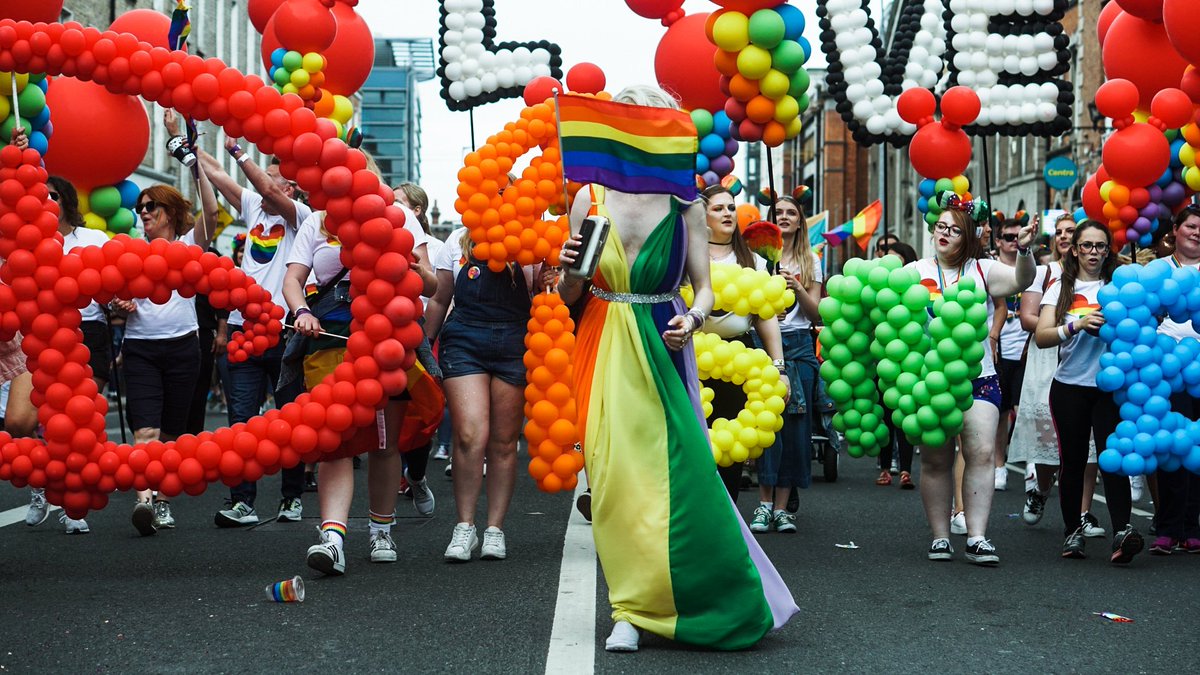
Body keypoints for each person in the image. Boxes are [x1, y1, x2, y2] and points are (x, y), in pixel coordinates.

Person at [558, 85, 797, 652]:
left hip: (663, 344)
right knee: (613, 480)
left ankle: (701, 594)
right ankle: (628, 609)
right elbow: (572, 293)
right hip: (602, 340)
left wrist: (691, 320)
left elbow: (706, 292)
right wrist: (567, 267)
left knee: (677, 475)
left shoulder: (684, 203)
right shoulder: (588, 197)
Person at [907, 196, 1035, 565]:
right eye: (941, 227)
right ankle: (940, 537)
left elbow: (1020, 280)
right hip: (930, 379)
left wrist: (1023, 249)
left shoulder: (982, 269)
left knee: (980, 454)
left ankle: (977, 536)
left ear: (969, 236)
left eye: (954, 229)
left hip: (980, 377)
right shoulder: (915, 271)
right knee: (936, 458)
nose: (944, 234)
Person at [199, 138, 314, 527]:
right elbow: (216, 175)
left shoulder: (301, 215)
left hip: (285, 331)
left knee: (290, 419)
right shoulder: (253, 207)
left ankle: (292, 498)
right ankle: (242, 502)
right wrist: (188, 146)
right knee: (242, 420)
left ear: (291, 189)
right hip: (242, 328)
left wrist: (237, 151)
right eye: (266, 176)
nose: (264, 184)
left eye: (274, 178)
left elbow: (260, 186)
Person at [113, 113, 217, 535]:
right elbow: (113, 296)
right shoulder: (131, 251)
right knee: (146, 427)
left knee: (173, 431)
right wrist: (119, 301)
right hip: (140, 347)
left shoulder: (190, 244)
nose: (143, 214)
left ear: (170, 212)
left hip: (182, 347)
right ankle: (143, 501)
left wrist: (191, 159)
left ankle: (161, 500)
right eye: (140, 209)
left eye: (150, 207)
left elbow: (211, 208)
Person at [424, 214, 540, 562]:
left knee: (504, 442)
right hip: (465, 339)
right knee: (469, 435)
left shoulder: (531, 240)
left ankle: (494, 530)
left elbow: (544, 293)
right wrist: (424, 346)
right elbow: (441, 299)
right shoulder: (457, 239)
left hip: (516, 340)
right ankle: (464, 527)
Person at [1034, 220, 1143, 563]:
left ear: (1108, 250)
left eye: (1100, 246)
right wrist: (1077, 325)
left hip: (1111, 388)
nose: (1093, 253)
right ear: (1074, 249)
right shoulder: (1061, 287)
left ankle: (1122, 531)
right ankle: (1072, 532)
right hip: (1070, 386)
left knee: (1115, 460)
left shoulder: (1120, 284)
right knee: (1074, 461)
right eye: (1086, 246)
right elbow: (1042, 336)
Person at [23, 175, 109, 534]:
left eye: (52, 195)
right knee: (43, 416)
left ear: (68, 201)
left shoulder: (92, 239)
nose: (45, 200)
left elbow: (110, 280)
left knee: (80, 419)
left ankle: (71, 498)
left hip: (89, 330)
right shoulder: (28, 242)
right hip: (43, 332)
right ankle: (43, 487)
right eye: (39, 195)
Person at [1010, 214, 1104, 536]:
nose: (1064, 236)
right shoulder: (1047, 273)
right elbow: (1027, 319)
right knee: (1052, 443)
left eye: (1070, 231)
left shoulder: (1105, 278)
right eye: (1060, 232)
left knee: (1089, 445)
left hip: (1089, 364)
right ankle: (1043, 488)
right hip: (1049, 360)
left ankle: (1083, 511)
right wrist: (1068, 327)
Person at [699, 186, 789, 506]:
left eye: (731, 207)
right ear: (701, 215)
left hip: (740, 357)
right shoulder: (687, 255)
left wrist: (779, 367)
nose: (727, 213)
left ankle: (729, 521)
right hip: (692, 358)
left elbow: (765, 317)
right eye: (718, 208)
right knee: (694, 444)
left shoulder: (751, 259)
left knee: (731, 451)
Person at [750, 194, 821, 531]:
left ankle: (783, 507)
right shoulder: (755, 258)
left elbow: (816, 313)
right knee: (767, 426)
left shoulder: (811, 260)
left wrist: (797, 288)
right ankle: (763, 504)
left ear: (800, 221)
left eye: (792, 213)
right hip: (763, 344)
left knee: (795, 428)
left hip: (799, 346)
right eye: (779, 212)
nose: (785, 217)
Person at [1150, 206, 1200, 555]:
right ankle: (1167, 526)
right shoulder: (1158, 270)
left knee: (1197, 449)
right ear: (1176, 230)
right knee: (1171, 447)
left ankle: (1191, 525)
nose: (1197, 233)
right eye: (1191, 226)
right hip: (1167, 368)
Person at [991, 218, 1032, 491]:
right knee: (1000, 411)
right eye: (1007, 237)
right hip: (998, 351)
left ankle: (1031, 462)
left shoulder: (1030, 267)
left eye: (1018, 236)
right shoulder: (990, 269)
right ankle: (999, 465)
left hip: (1026, 350)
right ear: (998, 241)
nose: (1013, 241)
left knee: (1025, 409)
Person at [878, 242, 918, 487]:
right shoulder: (878, 287)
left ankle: (906, 470)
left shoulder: (914, 284)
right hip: (882, 357)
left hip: (910, 358)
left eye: (897, 258)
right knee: (884, 415)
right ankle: (884, 468)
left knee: (905, 415)